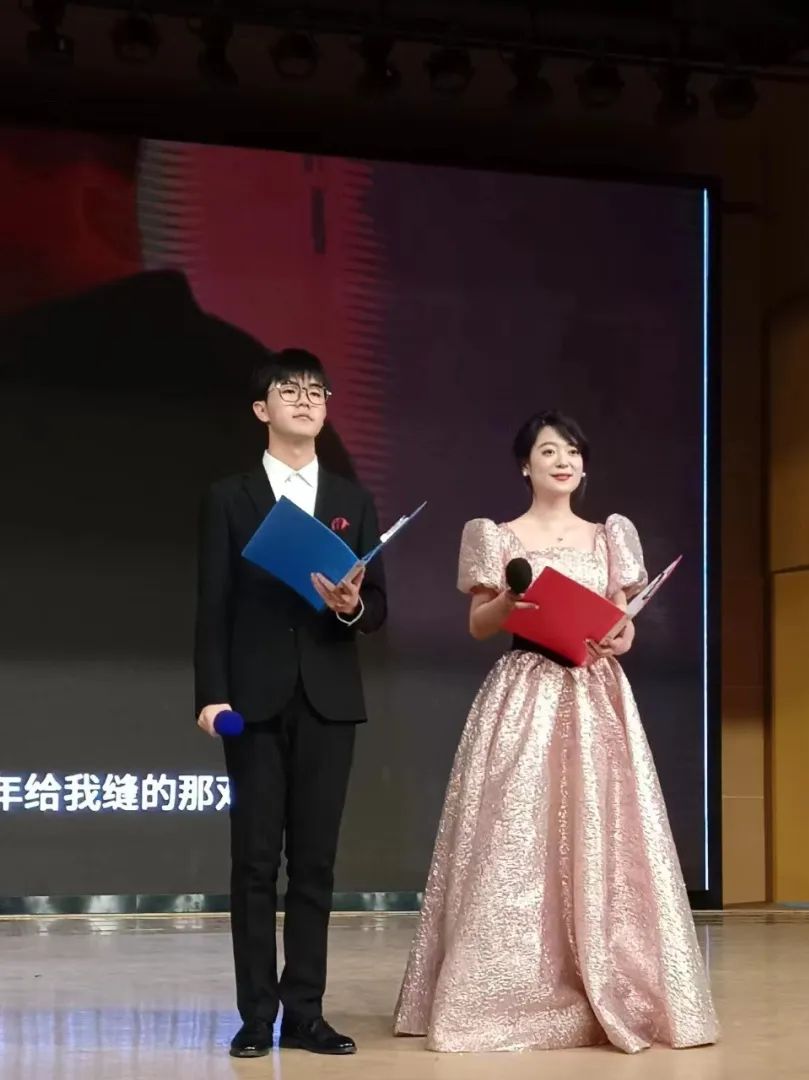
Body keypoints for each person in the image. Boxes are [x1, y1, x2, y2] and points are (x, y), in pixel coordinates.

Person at [393, 411, 718, 1054]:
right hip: (526, 691)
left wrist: (621, 635)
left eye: (572, 451)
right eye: (548, 451)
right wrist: (511, 603)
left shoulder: (610, 534)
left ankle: (609, 976)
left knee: (604, 830)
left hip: (595, 694)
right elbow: (479, 625)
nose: (563, 461)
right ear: (525, 464)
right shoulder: (496, 536)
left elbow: (624, 622)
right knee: (516, 835)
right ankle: (502, 987)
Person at [194, 348, 387, 1059]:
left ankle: (304, 1013)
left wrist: (350, 604)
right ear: (261, 409)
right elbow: (211, 604)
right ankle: (255, 1015)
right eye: (290, 389)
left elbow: (377, 609)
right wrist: (211, 694)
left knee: (315, 864)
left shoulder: (351, 500)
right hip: (253, 699)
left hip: (329, 699)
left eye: (317, 390)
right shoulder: (231, 497)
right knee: (253, 863)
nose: (306, 400)